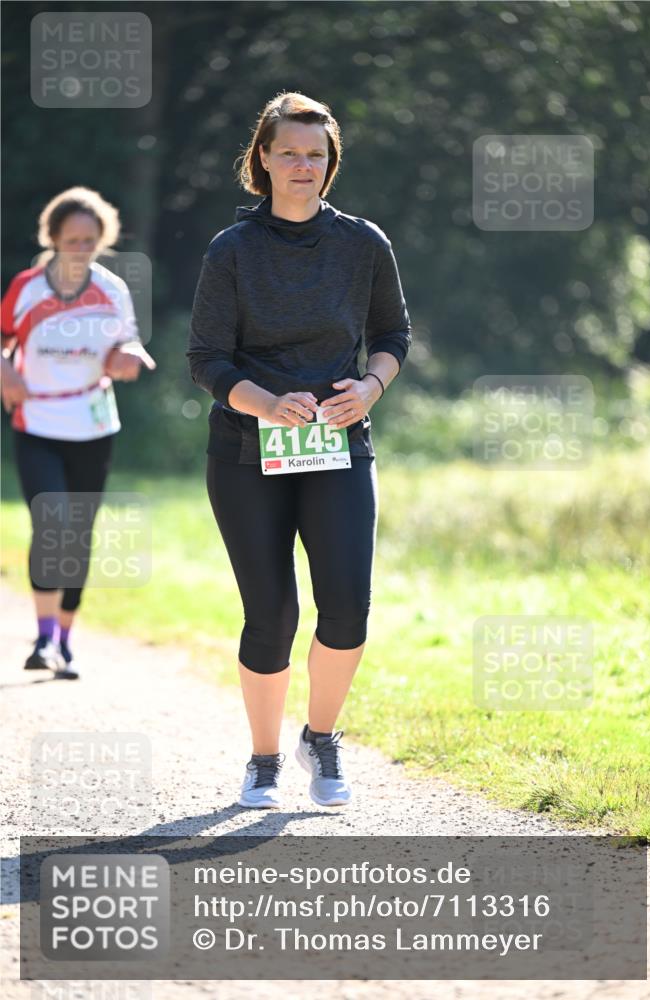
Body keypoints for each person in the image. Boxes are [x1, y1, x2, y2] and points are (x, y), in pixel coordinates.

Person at [187, 92, 411, 808]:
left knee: (346, 606)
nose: (302, 165)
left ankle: (322, 737)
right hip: (247, 451)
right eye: (288, 151)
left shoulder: (363, 243)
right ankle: (261, 759)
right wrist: (265, 402)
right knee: (272, 613)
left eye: (315, 154)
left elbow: (392, 337)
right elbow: (206, 358)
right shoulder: (231, 252)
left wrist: (370, 388)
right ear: (262, 158)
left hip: (339, 445)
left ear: (330, 163)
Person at [1, 186, 155, 679]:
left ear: (102, 240)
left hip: (93, 424)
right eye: (72, 239)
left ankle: (66, 640)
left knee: (78, 536)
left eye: (90, 239)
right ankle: (43, 638)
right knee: (53, 524)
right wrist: (5, 371)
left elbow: (125, 345)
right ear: (52, 238)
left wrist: (126, 357)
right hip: (38, 424)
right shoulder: (27, 288)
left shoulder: (111, 289)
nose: (81, 248)